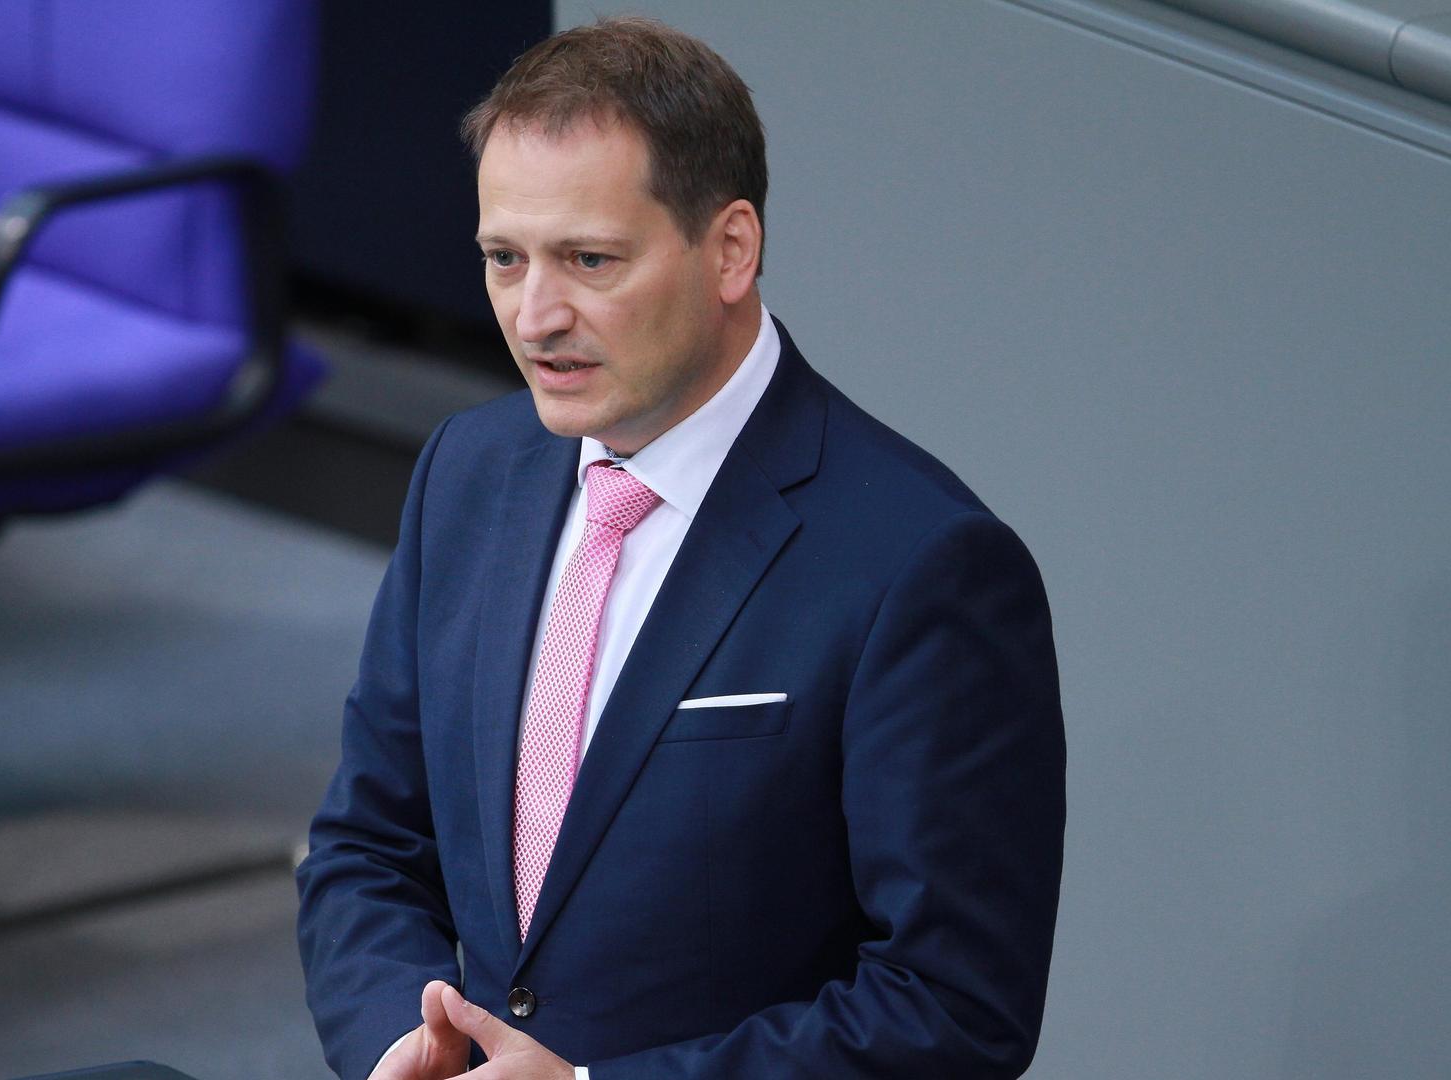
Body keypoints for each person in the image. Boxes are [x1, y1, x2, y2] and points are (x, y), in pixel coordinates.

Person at [296, 16, 1065, 1079]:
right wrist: (403, 1042)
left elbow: (952, 1007)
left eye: (589, 260)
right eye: (503, 258)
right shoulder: (466, 473)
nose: (535, 314)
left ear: (731, 250)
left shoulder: (925, 566)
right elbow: (368, 847)